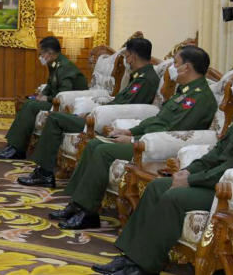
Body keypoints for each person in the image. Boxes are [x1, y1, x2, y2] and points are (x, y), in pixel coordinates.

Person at [95, 56, 233, 275]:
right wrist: (188, 171)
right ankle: (132, 257)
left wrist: (193, 180)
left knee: (174, 197)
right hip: (216, 179)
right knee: (156, 187)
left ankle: (146, 270)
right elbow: (219, 151)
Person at [51, 45, 218, 230]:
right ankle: (77, 205)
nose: (172, 68)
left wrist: (133, 140)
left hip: (155, 148)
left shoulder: (199, 98)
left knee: (103, 151)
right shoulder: (185, 92)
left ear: (186, 67)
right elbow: (157, 119)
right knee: (93, 145)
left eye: (176, 63)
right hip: (144, 138)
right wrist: (130, 132)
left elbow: (173, 129)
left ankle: (88, 213)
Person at [19, 37, 160, 188]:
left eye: (126, 56)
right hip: (101, 116)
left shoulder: (145, 79)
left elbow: (127, 107)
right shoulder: (139, 76)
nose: (126, 60)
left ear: (133, 56)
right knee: (58, 117)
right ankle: (44, 171)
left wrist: (94, 114)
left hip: (106, 122)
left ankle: (45, 174)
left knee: (55, 118)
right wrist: (89, 113)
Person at [0, 36, 88, 160]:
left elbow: (65, 93)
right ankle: (13, 146)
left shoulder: (65, 67)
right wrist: (41, 94)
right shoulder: (55, 64)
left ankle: (17, 149)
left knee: (31, 106)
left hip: (65, 106)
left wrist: (47, 99)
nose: (40, 57)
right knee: (29, 103)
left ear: (49, 53)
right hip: (55, 101)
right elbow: (50, 84)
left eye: (41, 54)